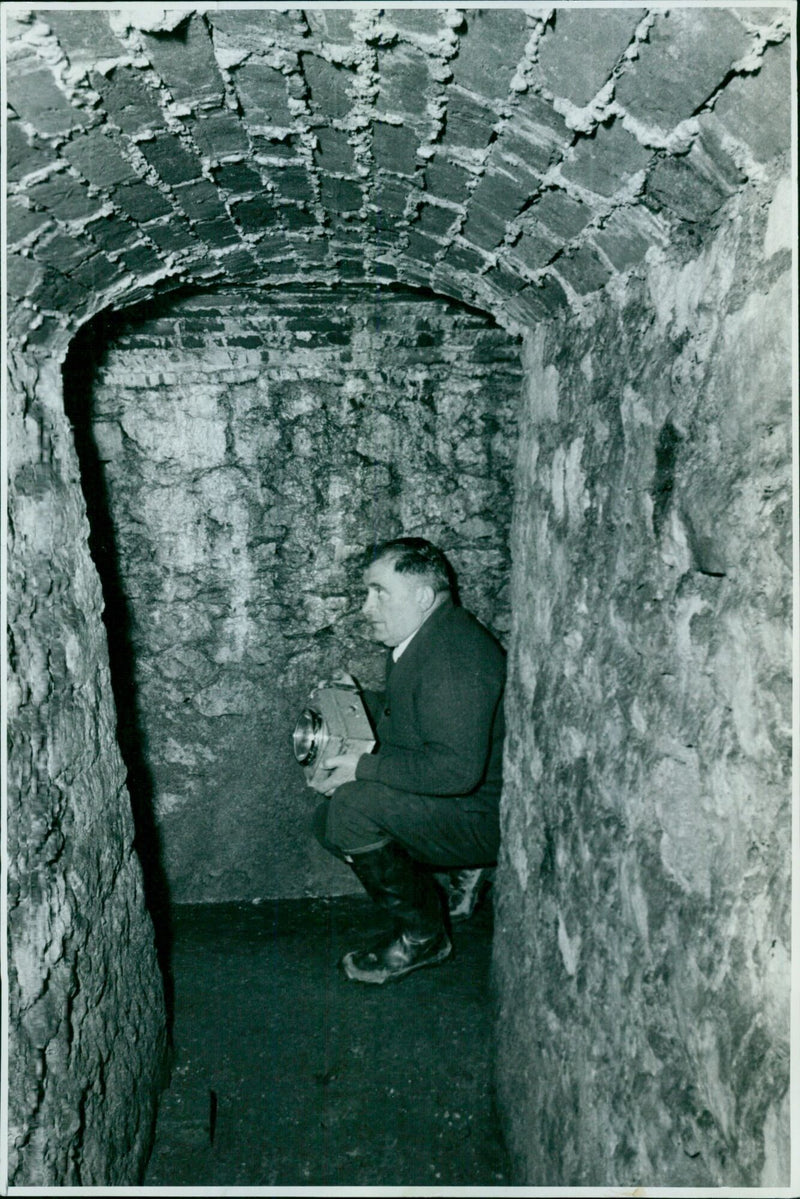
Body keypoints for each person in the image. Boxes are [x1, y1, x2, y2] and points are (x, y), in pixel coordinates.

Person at [314, 536, 505, 985]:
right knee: (328, 821)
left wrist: (360, 766)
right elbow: (415, 716)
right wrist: (356, 701)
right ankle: (457, 873)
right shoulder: (427, 637)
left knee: (348, 812)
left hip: (482, 815)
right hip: (463, 802)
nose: (366, 606)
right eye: (367, 592)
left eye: (379, 592)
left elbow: (455, 771)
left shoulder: (454, 656)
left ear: (422, 597)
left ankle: (424, 937)